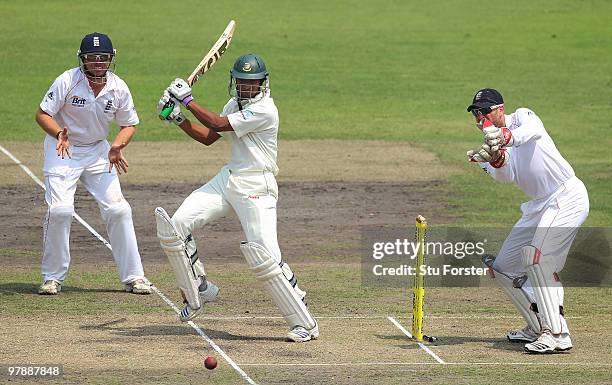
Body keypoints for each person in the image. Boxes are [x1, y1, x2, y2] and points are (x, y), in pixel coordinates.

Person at [154, 53, 318, 342]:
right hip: (229, 179)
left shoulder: (266, 110)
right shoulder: (234, 104)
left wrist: (188, 100)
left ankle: (304, 322)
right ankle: (199, 289)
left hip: (258, 187)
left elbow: (216, 123)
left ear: (261, 84)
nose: (245, 87)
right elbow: (209, 136)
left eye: (251, 82)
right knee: (176, 225)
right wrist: (176, 116)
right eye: (241, 81)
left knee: (266, 258)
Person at [466, 88, 589, 354]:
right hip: (538, 206)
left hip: (565, 195)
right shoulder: (494, 144)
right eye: (477, 113)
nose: (480, 118)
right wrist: (495, 159)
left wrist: (505, 136)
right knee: (503, 267)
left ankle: (557, 334)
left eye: (485, 111)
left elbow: (531, 131)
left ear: (500, 109)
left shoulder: (522, 117)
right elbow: (506, 176)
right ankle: (536, 325)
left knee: (538, 259)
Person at [35, 32, 151, 295]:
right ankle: (52, 277)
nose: (98, 63)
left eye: (103, 58)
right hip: (63, 149)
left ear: (111, 59)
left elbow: (129, 124)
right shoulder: (67, 80)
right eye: (92, 58)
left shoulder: (118, 87)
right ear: (83, 59)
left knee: (119, 210)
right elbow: (43, 113)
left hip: (99, 150)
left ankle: (134, 277)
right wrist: (58, 133)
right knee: (61, 211)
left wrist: (117, 145)